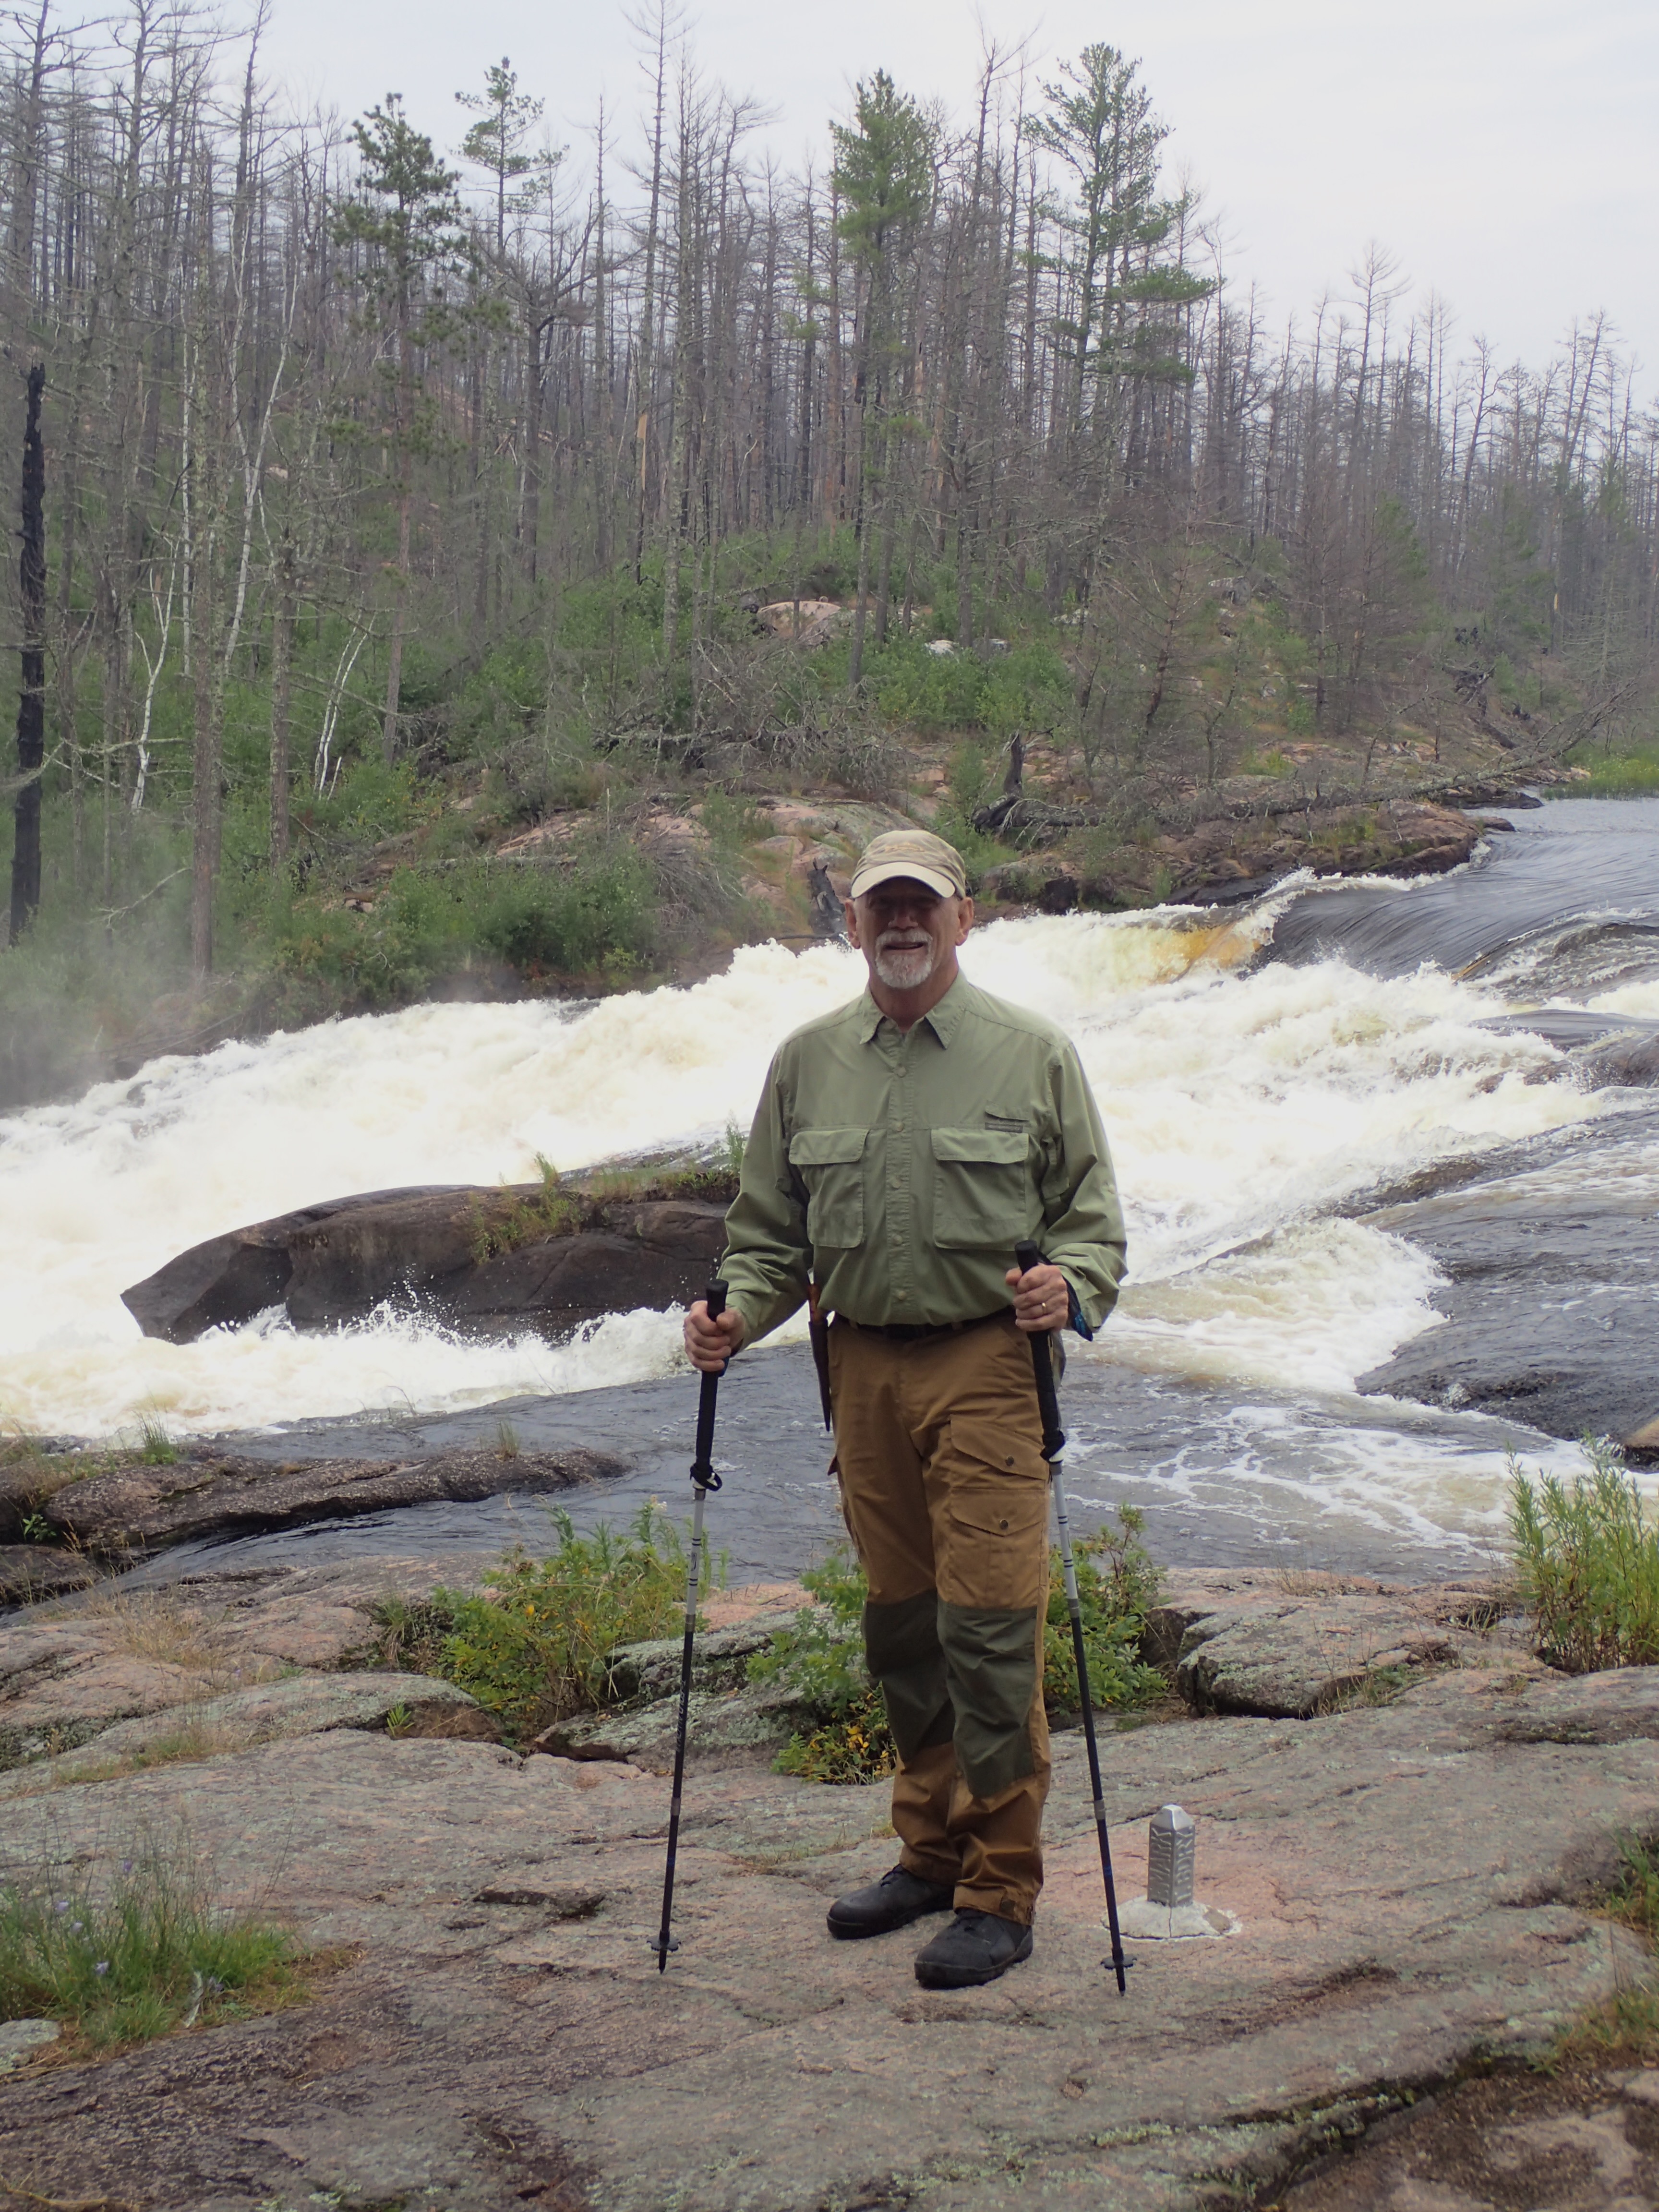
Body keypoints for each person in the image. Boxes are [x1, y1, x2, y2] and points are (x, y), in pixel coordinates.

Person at [684, 827, 1126, 1989]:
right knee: (905, 1627)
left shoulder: (1033, 1054)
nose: (900, 924)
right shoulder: (806, 1061)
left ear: (963, 919)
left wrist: (1065, 1289)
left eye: (921, 905)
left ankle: (999, 1888)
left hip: (988, 1366)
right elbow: (772, 1241)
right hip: (861, 1370)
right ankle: (928, 1853)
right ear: (852, 923)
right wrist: (733, 1314)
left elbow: (1093, 1223)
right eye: (880, 905)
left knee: (987, 1629)